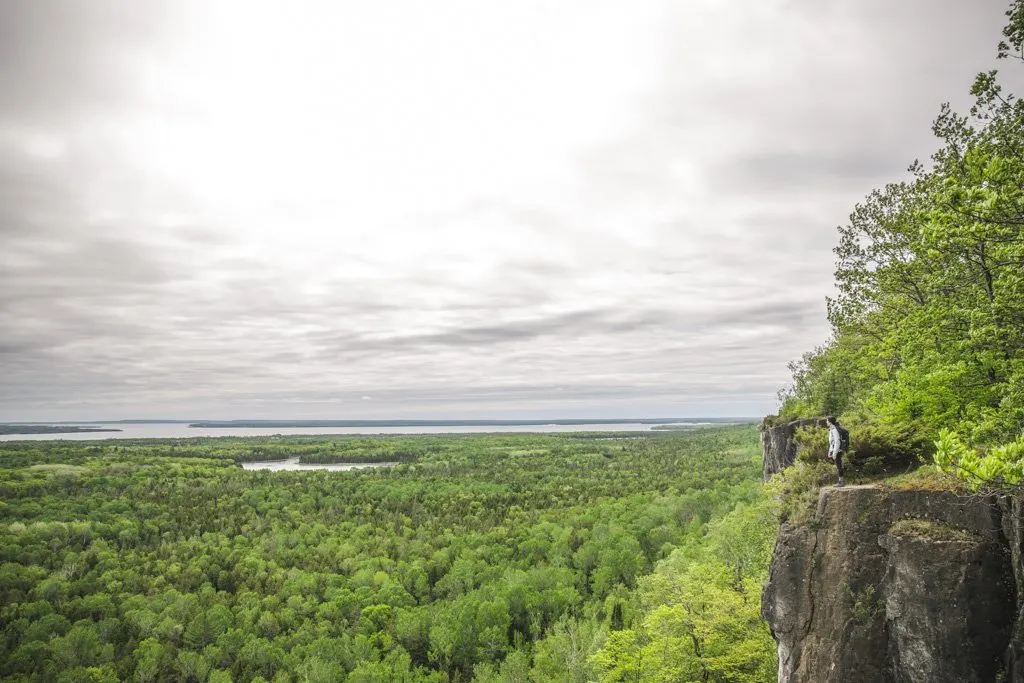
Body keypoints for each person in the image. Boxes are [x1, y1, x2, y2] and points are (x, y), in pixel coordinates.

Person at [827, 416, 845, 487]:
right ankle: (840, 481)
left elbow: (837, 442)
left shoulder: (834, 430)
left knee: (839, 466)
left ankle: (841, 482)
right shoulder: (832, 429)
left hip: (837, 450)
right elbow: (832, 442)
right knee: (838, 465)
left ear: (830, 422)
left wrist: (834, 453)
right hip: (835, 449)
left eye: (827, 421)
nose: (826, 422)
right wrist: (830, 451)